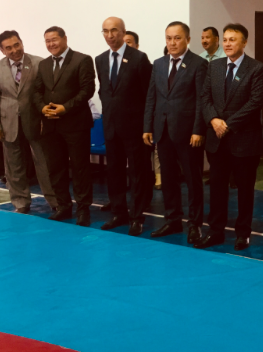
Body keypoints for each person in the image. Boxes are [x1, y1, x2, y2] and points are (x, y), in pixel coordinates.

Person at [195, 23, 263, 251]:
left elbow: (255, 102)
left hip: (244, 140)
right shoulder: (214, 66)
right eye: (225, 40)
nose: (227, 44)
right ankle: (215, 231)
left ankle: (243, 233)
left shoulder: (256, 68)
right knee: (217, 188)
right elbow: (204, 97)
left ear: (244, 42)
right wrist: (213, 120)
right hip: (217, 140)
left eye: (232, 39)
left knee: (245, 190)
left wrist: (227, 125)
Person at [144, 21, 207, 243]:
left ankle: (195, 224)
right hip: (162, 131)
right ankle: (172, 220)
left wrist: (198, 129)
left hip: (189, 133)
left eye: (177, 38)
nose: (172, 42)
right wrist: (147, 127)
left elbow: (201, 100)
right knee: (168, 179)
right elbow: (152, 97)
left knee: (192, 180)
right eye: (169, 38)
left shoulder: (198, 64)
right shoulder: (159, 63)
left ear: (188, 39)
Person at [0, 31, 57, 212]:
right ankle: (20, 202)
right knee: (13, 166)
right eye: (8, 48)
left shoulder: (39, 63)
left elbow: (47, 94)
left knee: (45, 164)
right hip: (8, 124)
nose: (14, 50)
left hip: (36, 122)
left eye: (16, 45)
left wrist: (47, 120)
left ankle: (56, 202)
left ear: (22, 43)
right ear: (2, 50)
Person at [32, 27, 96, 227]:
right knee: (55, 168)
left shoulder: (82, 60)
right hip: (50, 125)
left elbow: (87, 90)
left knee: (80, 169)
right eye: (47, 41)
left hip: (75, 124)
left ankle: (83, 210)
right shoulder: (43, 64)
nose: (51, 44)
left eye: (54, 39)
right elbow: (37, 91)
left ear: (65, 39)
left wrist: (65, 108)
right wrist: (42, 108)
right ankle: (63, 206)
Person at [96, 17, 154, 236]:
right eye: (105, 31)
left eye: (114, 30)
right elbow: (105, 90)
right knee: (114, 172)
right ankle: (118, 213)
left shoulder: (139, 58)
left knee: (137, 174)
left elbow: (148, 94)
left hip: (135, 128)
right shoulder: (100, 59)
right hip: (111, 127)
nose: (110, 35)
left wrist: (147, 126)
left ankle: (136, 217)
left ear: (123, 32)